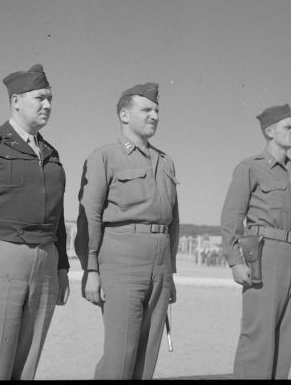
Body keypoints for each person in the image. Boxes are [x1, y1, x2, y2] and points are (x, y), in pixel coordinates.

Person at [0, 64, 70, 380]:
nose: (47, 105)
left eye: (50, 99)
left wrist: (62, 268)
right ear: (16, 100)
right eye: (40, 98)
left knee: (28, 361)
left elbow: (58, 215)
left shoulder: (51, 152)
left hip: (45, 263)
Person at [75, 83, 179, 380]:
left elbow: (173, 220)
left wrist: (169, 273)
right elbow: (90, 215)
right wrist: (90, 268)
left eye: (157, 110)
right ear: (124, 115)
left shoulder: (165, 161)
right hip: (122, 260)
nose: (155, 115)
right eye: (146, 109)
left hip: (159, 264)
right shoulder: (105, 156)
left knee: (147, 359)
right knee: (120, 357)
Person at [221, 104, 291, 379]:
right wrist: (234, 261)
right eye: (288, 127)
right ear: (269, 132)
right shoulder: (250, 168)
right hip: (263, 258)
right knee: (258, 337)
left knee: (286, 338)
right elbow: (232, 216)